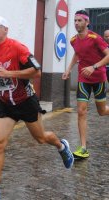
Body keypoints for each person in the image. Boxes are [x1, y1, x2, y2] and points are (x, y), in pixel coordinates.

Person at [0, 15, 74, 200]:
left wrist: (10, 73)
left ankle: (62, 146)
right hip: (6, 104)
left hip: (26, 101)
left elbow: (37, 71)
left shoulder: (18, 47)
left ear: (5, 29)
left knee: (41, 138)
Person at [62, 10, 109, 159]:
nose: (76, 23)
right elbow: (77, 53)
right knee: (81, 111)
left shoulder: (96, 38)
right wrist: (68, 69)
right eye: (75, 21)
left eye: (80, 20)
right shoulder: (73, 40)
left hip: (98, 78)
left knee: (101, 111)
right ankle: (83, 148)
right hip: (83, 79)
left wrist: (94, 66)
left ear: (87, 22)